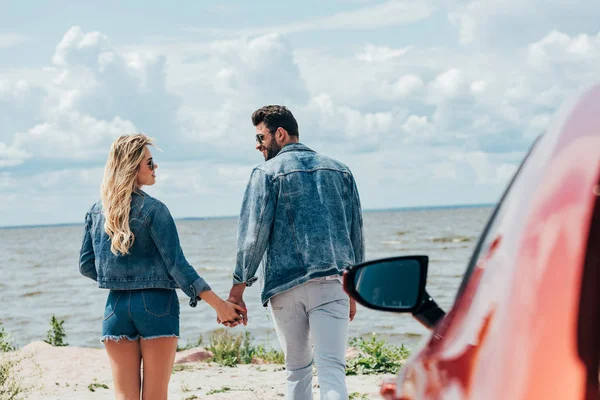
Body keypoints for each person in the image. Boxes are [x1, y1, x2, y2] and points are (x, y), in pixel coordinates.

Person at [79, 134, 244, 400]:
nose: (155, 168)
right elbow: (178, 266)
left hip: (115, 309)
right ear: (133, 166)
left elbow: (87, 265)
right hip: (157, 306)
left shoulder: (98, 212)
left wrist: (119, 277)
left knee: (125, 396)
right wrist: (220, 305)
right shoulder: (155, 210)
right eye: (150, 163)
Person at [225, 105, 365, 400]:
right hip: (333, 284)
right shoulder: (340, 170)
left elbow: (252, 238)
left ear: (280, 134)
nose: (257, 145)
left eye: (261, 138)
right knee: (332, 370)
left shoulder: (265, 173)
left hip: (285, 287)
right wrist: (354, 290)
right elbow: (355, 236)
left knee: (297, 371)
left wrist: (237, 292)